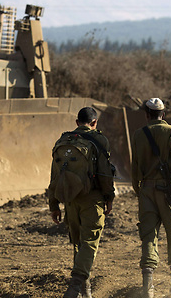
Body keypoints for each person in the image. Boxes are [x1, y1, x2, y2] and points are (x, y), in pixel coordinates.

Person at [131, 98, 171, 298]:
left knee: (149, 235)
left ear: (147, 114)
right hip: (167, 192)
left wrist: (138, 190)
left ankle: (147, 287)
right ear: (163, 114)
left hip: (146, 191)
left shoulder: (138, 135)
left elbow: (135, 168)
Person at [49, 107, 115, 298]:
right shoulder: (100, 140)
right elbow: (104, 173)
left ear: (77, 123)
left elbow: (54, 176)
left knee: (78, 243)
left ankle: (85, 292)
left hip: (69, 200)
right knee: (90, 242)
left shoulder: (62, 141)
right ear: (94, 123)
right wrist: (109, 197)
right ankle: (75, 286)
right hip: (91, 199)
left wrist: (53, 205)